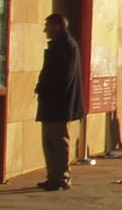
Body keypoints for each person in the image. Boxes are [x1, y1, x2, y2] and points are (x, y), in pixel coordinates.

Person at [35, 13, 85, 191]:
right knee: (49, 141)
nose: (45, 30)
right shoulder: (60, 45)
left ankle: (61, 177)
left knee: (58, 141)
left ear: (57, 26)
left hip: (59, 103)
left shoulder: (66, 46)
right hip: (51, 102)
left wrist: (46, 89)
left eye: (47, 25)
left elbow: (62, 76)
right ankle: (53, 175)